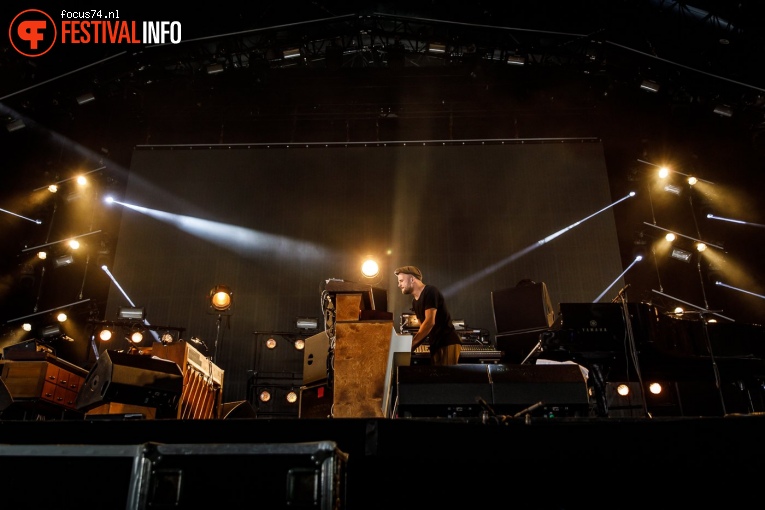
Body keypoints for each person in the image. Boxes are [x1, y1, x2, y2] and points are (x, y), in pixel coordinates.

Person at [394, 266, 461, 365]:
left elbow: (429, 322)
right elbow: (423, 327)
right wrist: (411, 347)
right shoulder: (414, 302)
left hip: (446, 342)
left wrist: (411, 346)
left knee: (445, 379)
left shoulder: (430, 291)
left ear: (412, 279)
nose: (399, 285)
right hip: (435, 345)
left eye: (401, 281)